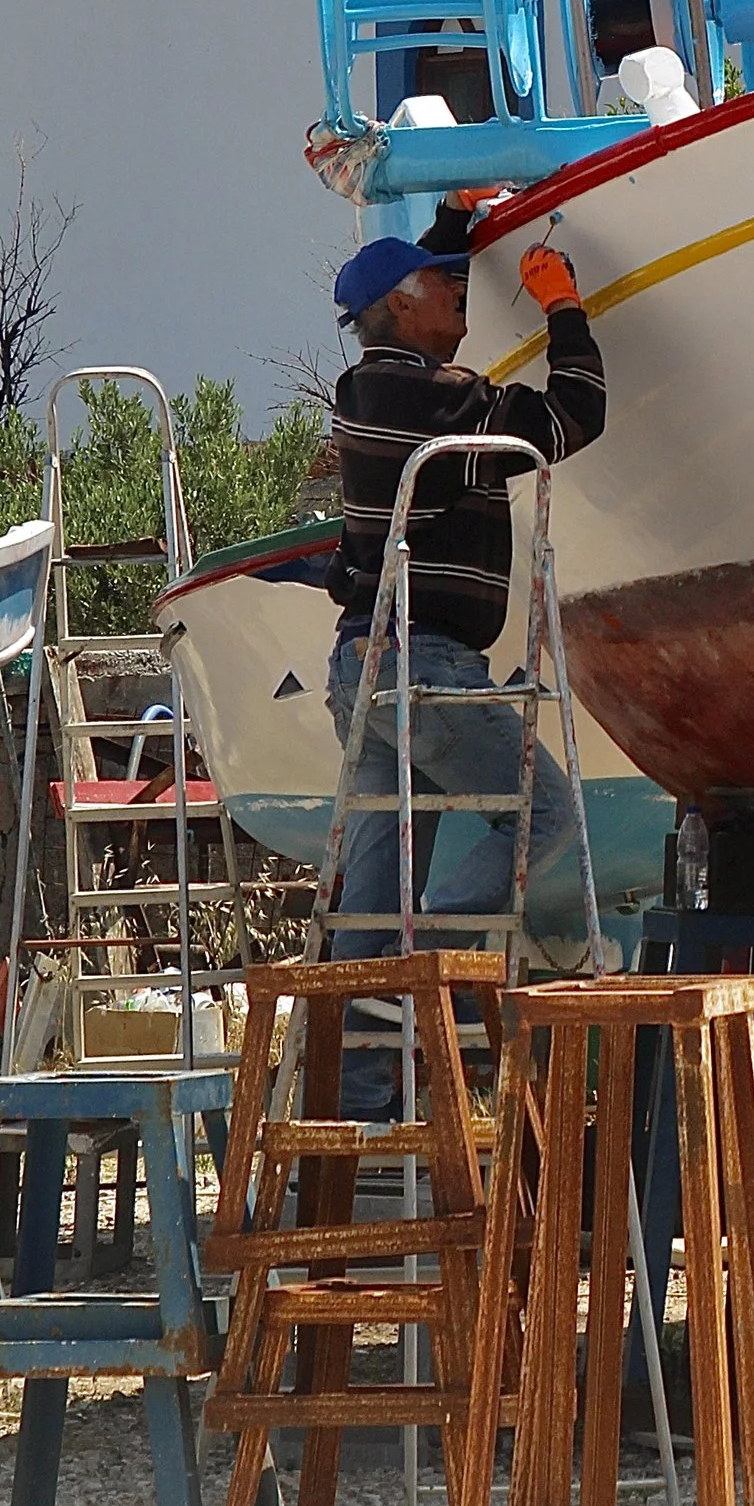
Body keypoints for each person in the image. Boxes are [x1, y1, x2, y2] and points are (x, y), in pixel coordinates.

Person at [322, 219, 605, 1007]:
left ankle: (359, 1091)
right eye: (443, 283)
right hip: (428, 666)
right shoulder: (442, 400)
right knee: (546, 815)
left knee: (371, 906)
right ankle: (423, 975)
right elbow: (572, 418)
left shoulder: (367, 392)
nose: (461, 291)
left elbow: (406, 277)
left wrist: (452, 216)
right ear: (402, 308)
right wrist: (564, 307)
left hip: (365, 667)